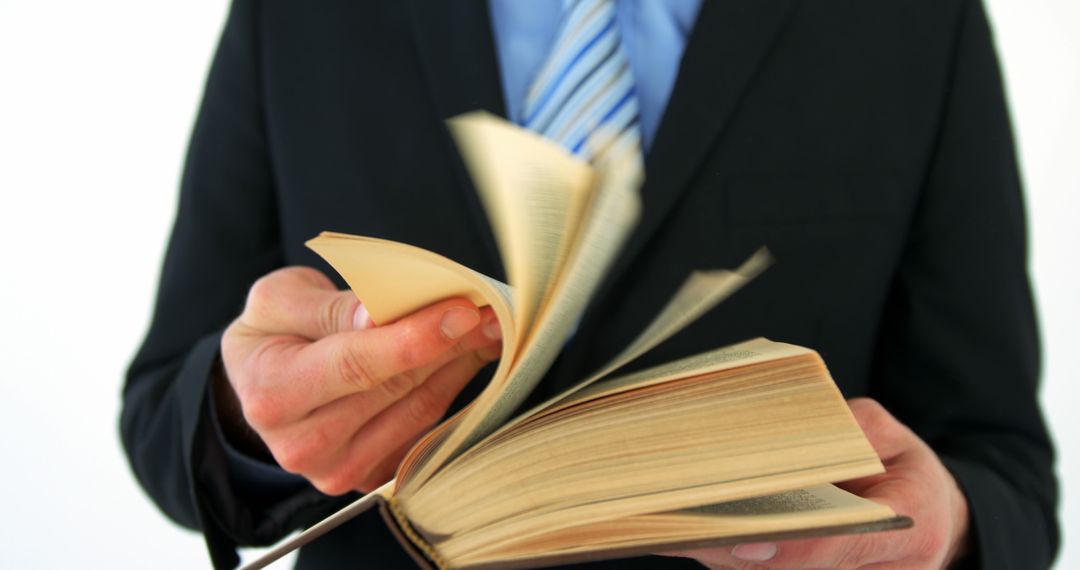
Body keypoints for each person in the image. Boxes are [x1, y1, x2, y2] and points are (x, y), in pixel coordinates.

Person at [121, 0, 1058, 568]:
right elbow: (165, 406)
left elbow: (1004, 466)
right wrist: (254, 419)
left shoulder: (918, 22)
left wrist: (948, 526)